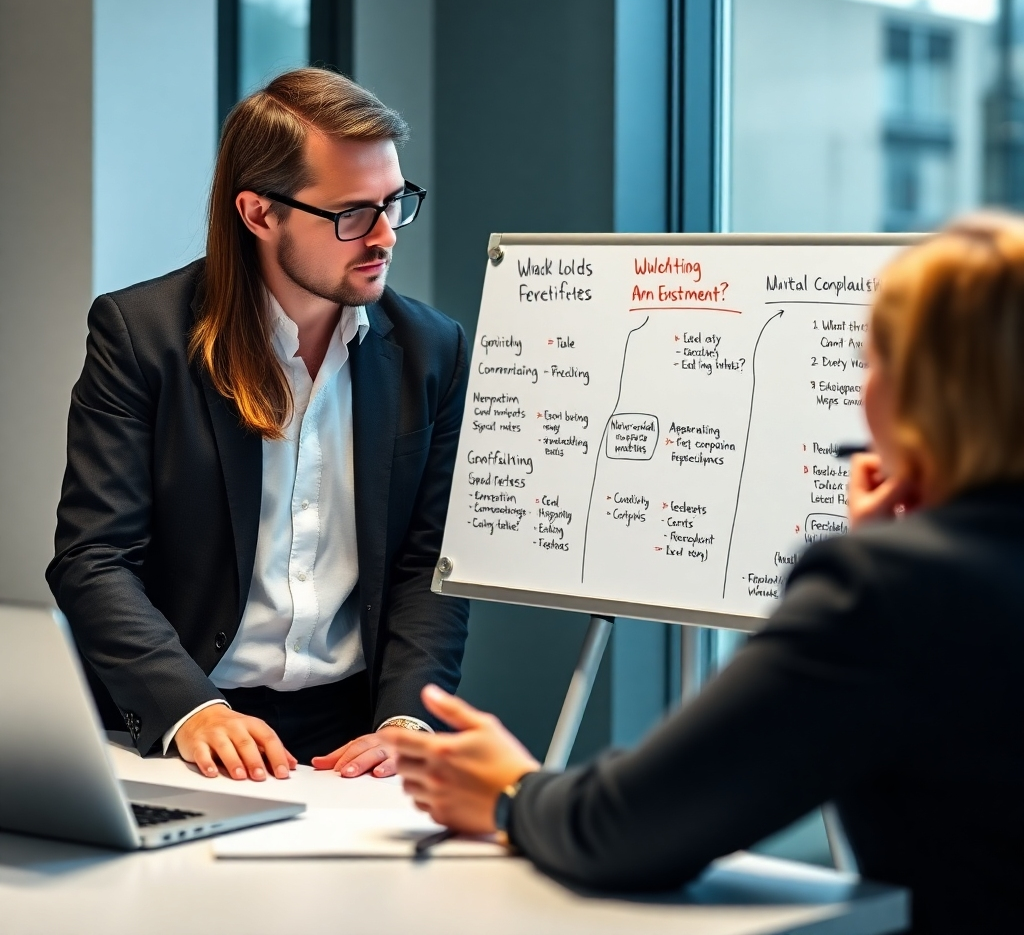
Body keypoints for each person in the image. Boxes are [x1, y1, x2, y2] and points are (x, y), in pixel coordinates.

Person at [383, 216, 1024, 934]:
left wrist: (510, 792)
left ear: (917, 392)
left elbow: (634, 827)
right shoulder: (922, 582)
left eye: (870, 361)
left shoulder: (887, 592)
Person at [48, 68, 469, 783]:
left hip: (355, 740)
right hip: (186, 726)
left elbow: (427, 567)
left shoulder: (433, 351)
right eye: (350, 214)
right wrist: (191, 710)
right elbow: (94, 560)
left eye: (395, 204)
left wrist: (407, 720)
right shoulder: (140, 336)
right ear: (257, 213)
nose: (384, 237)